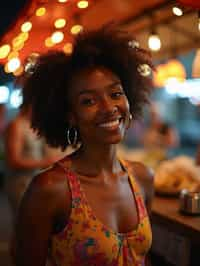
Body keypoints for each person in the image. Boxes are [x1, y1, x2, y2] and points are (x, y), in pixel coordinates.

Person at [13, 26, 154, 266]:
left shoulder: (142, 177)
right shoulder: (50, 189)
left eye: (115, 93)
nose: (108, 107)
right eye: (88, 101)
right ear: (71, 115)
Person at [4, 107, 68, 212]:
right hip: (21, 183)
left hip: (36, 182)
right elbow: (13, 160)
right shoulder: (17, 125)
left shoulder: (37, 125)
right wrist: (47, 161)